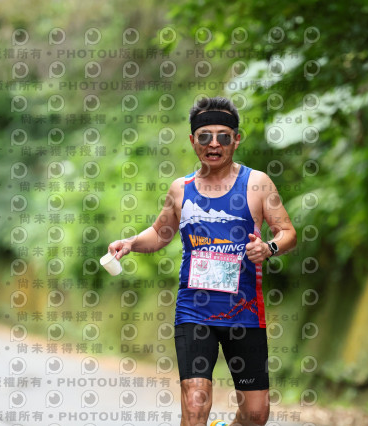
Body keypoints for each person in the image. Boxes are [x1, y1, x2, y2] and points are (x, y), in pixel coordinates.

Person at [109, 96, 297, 426]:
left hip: (245, 313)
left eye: (223, 136)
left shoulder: (257, 183)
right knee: (195, 402)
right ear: (192, 140)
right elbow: (160, 233)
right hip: (194, 311)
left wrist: (269, 247)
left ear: (236, 140)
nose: (214, 144)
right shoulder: (180, 189)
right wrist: (131, 243)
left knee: (256, 414)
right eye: (205, 136)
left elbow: (288, 233)